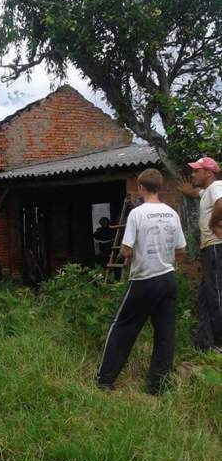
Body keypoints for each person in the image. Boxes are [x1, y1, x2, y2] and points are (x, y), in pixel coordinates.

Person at [96, 168, 186, 394]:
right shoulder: (171, 213)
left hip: (144, 279)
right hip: (168, 279)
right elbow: (180, 249)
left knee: (122, 327)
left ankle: (104, 381)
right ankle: (157, 386)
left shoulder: (137, 214)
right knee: (165, 334)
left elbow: (125, 251)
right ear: (161, 187)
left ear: (141, 188)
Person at [180, 157, 222, 351]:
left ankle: (220, 342)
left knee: (216, 294)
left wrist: (212, 223)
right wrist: (187, 190)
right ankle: (206, 342)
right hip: (209, 248)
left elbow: (221, 204)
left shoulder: (217, 186)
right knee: (205, 296)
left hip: (215, 245)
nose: (193, 174)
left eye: (197, 171)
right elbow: (197, 193)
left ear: (209, 173)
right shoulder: (207, 191)